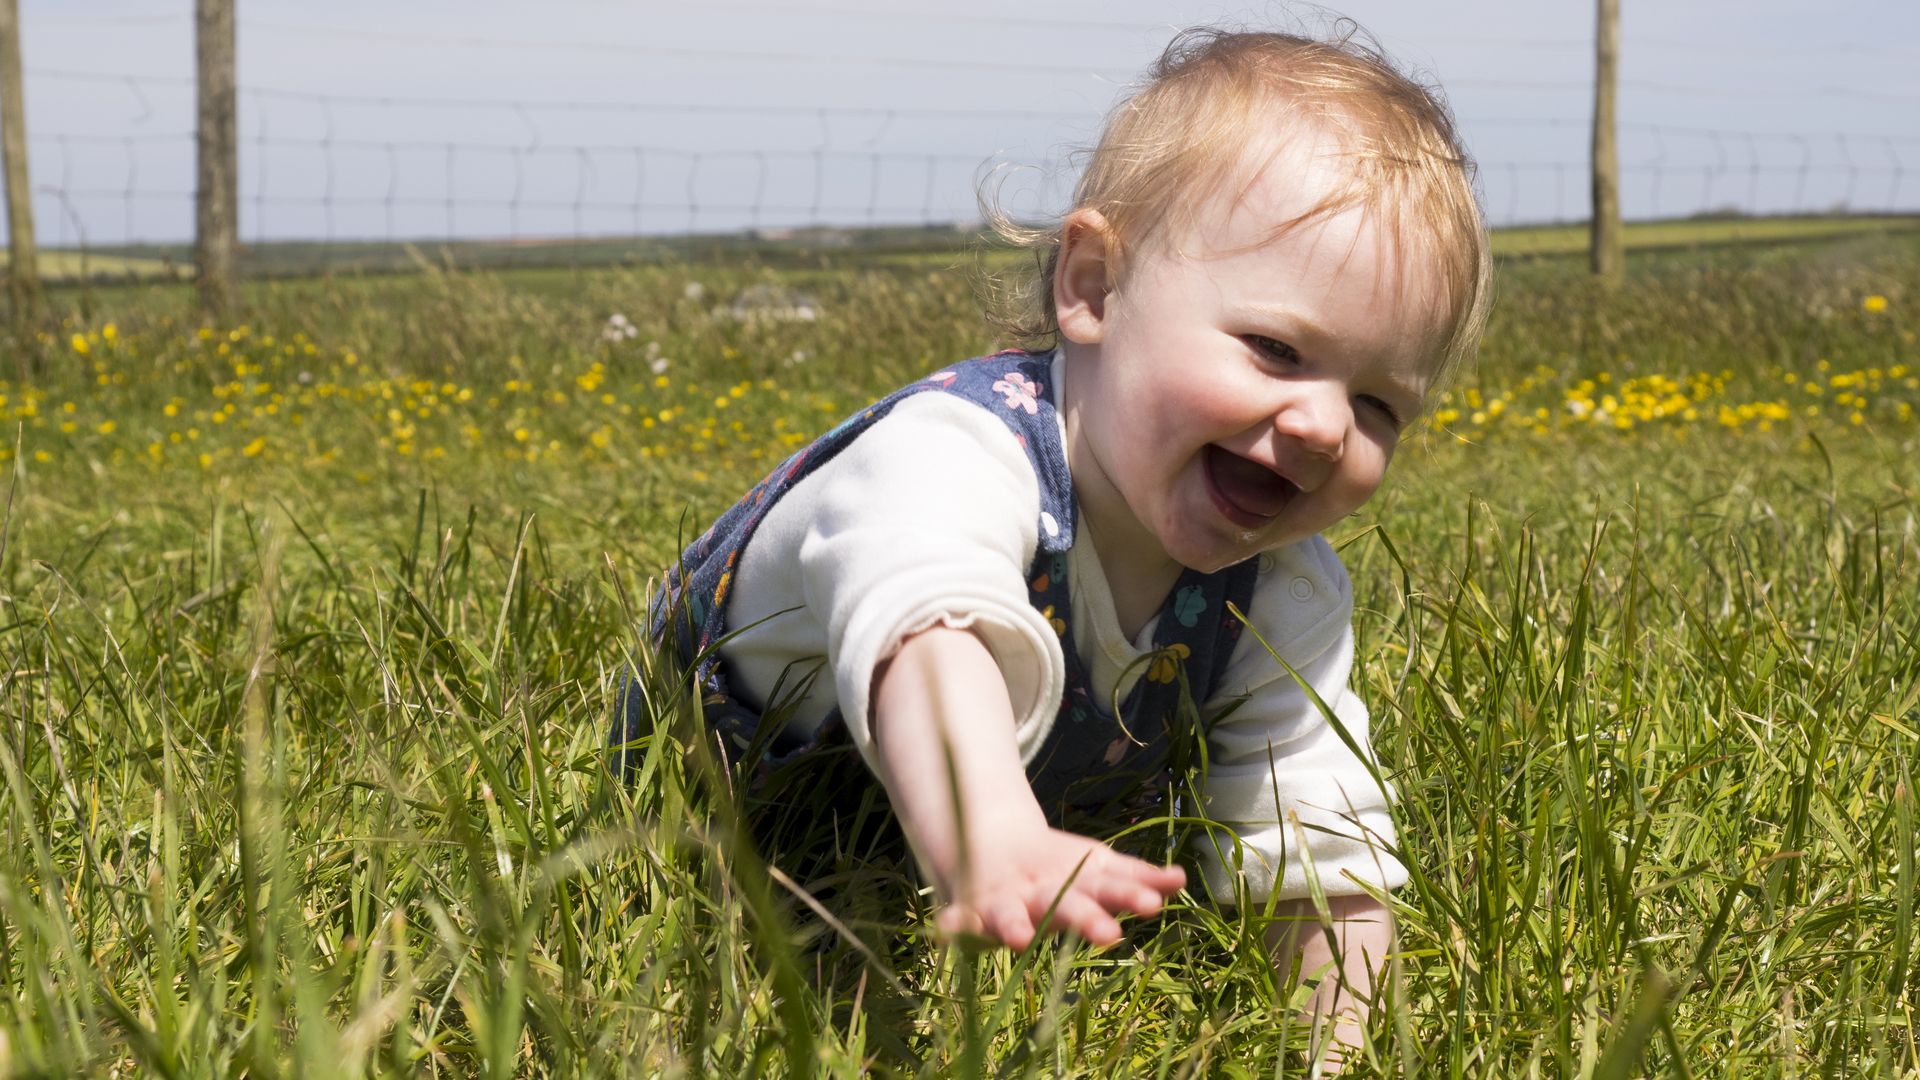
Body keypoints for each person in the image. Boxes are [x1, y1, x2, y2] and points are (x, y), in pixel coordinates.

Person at [620, 25, 1489, 1062]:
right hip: (728, 782)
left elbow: (1316, 826)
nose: (1321, 426)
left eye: (1380, 405)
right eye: (1275, 348)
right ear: (1094, 288)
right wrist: (987, 828)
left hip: (979, 821)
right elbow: (928, 637)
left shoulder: (1282, 585)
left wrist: (1339, 1048)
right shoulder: (954, 459)